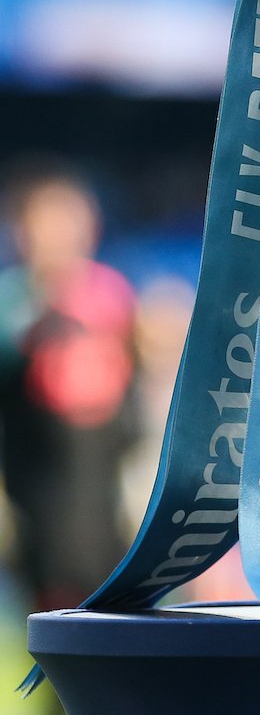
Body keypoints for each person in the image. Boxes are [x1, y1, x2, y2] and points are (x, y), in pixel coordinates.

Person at [0, 162, 139, 612]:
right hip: (40, 495)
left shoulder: (112, 292)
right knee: (56, 605)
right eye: (48, 221)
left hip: (107, 487)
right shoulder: (13, 299)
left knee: (115, 603)